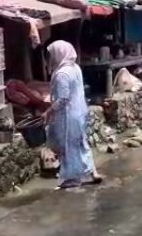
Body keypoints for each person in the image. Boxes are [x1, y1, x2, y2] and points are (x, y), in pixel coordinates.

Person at [43, 40, 102, 189]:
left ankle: (72, 179)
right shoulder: (75, 68)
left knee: (68, 146)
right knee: (82, 142)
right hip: (80, 111)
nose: (50, 59)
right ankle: (92, 172)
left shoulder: (62, 74)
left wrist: (50, 111)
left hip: (68, 115)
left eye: (51, 55)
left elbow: (63, 98)